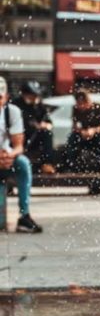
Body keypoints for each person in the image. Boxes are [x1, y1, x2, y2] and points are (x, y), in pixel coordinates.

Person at [0, 77, 43, 233]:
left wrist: (9, 155)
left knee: (23, 163)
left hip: (5, 159)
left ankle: (24, 215)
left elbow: (19, 145)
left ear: (5, 98)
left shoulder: (12, 112)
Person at [62, 88, 100, 174]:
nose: (81, 107)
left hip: (97, 134)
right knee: (71, 138)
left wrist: (93, 130)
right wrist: (81, 131)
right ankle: (71, 165)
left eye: (83, 104)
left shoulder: (99, 107)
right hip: (83, 134)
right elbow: (74, 125)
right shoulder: (76, 109)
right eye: (79, 104)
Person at [12, 81, 56, 174]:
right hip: (19, 137)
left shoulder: (38, 105)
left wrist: (45, 125)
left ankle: (47, 163)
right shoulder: (15, 105)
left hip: (35, 136)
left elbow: (48, 122)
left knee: (47, 134)